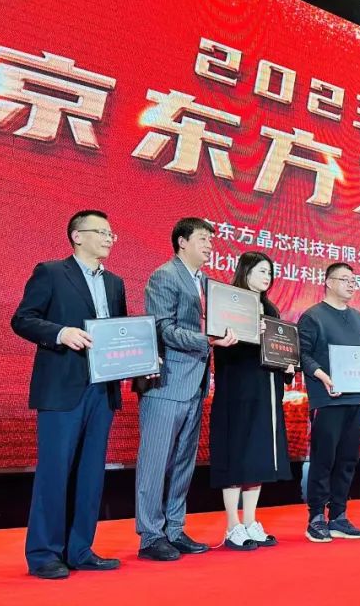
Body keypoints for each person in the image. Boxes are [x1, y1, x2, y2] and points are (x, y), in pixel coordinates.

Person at [11, 209, 127, 580]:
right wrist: (61, 333)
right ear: (77, 236)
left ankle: (79, 550)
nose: (109, 239)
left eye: (111, 234)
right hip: (62, 388)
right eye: (102, 232)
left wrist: (141, 357)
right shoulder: (51, 272)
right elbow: (23, 319)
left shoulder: (115, 283)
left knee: (91, 474)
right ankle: (44, 554)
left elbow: (120, 332)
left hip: (102, 389)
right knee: (55, 471)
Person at [135, 217, 230, 562]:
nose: (209, 245)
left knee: (182, 463)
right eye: (203, 239)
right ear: (182, 242)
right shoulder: (165, 276)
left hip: (196, 383)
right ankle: (150, 536)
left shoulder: (207, 283)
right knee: (155, 462)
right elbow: (162, 328)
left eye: (211, 240)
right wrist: (207, 340)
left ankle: (174, 529)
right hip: (167, 381)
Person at [210, 251, 294, 550]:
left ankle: (250, 521)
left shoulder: (270, 308)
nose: (267, 277)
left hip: (266, 390)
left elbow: (278, 348)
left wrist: (287, 366)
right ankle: (232, 525)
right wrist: (248, 332)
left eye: (269, 272)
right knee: (237, 455)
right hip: (238, 390)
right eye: (261, 271)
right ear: (245, 271)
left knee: (258, 456)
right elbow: (221, 345)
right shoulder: (229, 302)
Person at [297, 262, 360, 542]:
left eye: (354, 280)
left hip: (356, 398)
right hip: (327, 399)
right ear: (328, 282)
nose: (351, 284)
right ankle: (316, 516)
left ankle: (338, 515)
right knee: (324, 459)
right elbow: (301, 354)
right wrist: (322, 376)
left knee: (348, 459)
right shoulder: (313, 316)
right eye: (344, 279)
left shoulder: (358, 318)